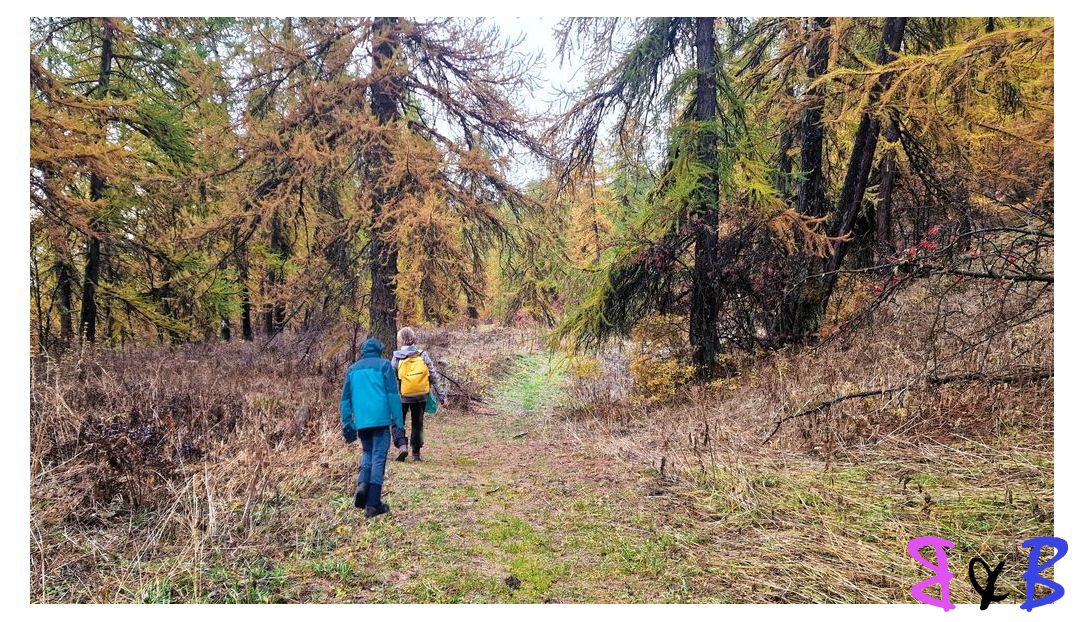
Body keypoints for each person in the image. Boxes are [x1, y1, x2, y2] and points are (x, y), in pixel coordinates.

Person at [340, 337, 404, 518]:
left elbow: (345, 400)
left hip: (362, 422)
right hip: (381, 420)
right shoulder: (384, 366)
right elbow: (392, 394)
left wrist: (348, 423)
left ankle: (362, 485)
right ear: (379, 350)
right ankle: (373, 503)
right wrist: (398, 421)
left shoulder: (352, 370)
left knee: (367, 453)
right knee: (378, 458)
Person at [391, 327, 447, 462]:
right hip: (421, 394)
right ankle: (416, 454)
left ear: (400, 340)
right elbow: (433, 375)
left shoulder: (396, 357)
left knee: (397, 421)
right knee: (418, 423)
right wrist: (442, 396)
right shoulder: (422, 354)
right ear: (413, 338)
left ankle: (402, 446)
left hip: (402, 395)